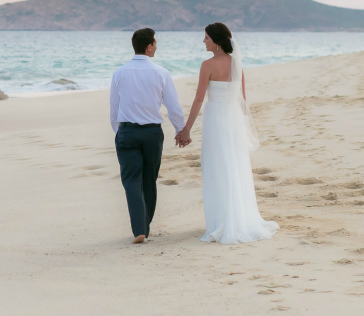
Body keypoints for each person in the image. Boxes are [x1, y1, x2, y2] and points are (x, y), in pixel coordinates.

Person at [176, 23, 278, 244]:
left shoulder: (207, 65)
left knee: (217, 166)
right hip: (232, 120)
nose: (203, 41)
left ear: (216, 40)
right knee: (234, 166)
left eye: (206, 38)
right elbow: (242, 100)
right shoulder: (236, 65)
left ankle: (221, 221)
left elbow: (198, 99)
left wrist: (186, 129)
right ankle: (238, 217)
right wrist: (241, 127)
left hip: (215, 119)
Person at [110, 28, 187, 244]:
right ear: (149, 46)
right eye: (155, 43)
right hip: (152, 133)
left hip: (127, 131)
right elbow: (173, 107)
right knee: (149, 180)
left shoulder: (120, 73)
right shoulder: (161, 73)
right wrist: (180, 130)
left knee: (131, 181)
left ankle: (139, 229)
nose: (157, 46)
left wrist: (120, 133)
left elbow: (114, 109)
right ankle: (146, 226)